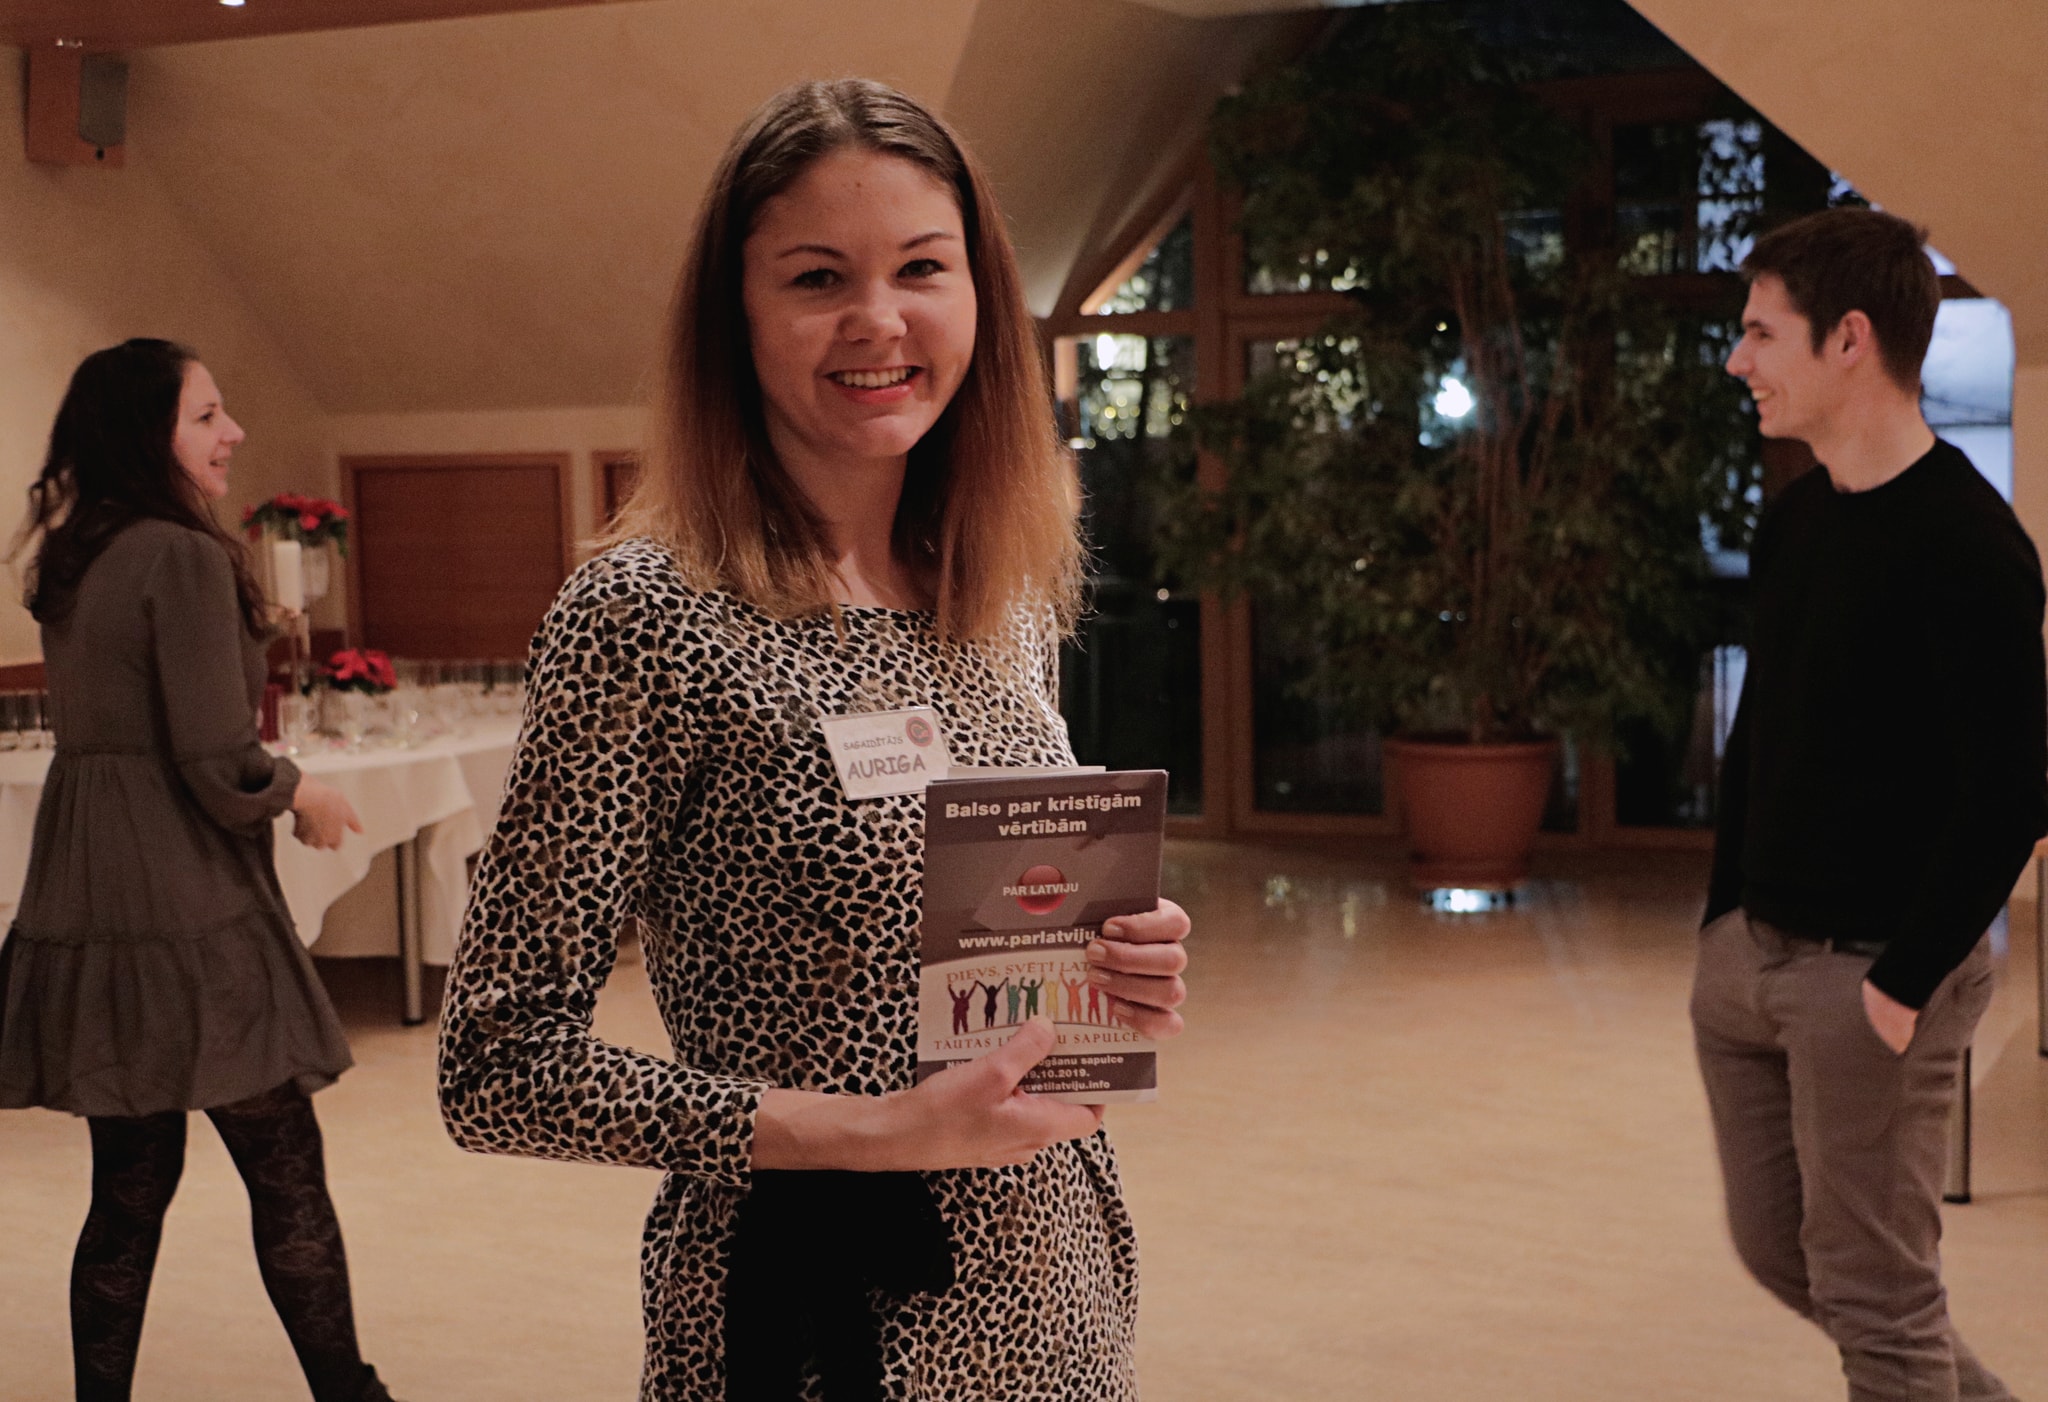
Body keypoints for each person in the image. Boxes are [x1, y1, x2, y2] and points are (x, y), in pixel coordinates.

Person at [436, 79, 1191, 1401]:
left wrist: (1115, 958)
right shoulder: (647, 615)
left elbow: (988, 925)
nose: (878, 320)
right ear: (735, 316)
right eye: (817, 277)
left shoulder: (991, 594)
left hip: (1052, 1291)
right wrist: (872, 1129)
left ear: (979, 298)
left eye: (921, 268)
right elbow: (498, 1067)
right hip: (815, 1319)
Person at [0, 339, 402, 1402]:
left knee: (129, 1189)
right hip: (185, 897)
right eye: (207, 415)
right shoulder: (178, 555)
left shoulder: (76, 553)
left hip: (90, 883)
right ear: (150, 433)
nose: (232, 433)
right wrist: (300, 793)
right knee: (286, 1171)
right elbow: (217, 757)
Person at [1695, 209, 2047, 1402]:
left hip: (1872, 978)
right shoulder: (1794, 520)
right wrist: (1721, 918)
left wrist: (1899, 986)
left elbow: (2011, 791)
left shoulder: (1968, 545)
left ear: (1847, 339)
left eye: (1760, 332)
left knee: (1878, 1302)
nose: (1737, 359)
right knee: (1786, 1254)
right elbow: (1760, 735)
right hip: (1750, 958)